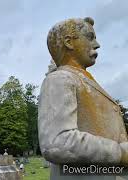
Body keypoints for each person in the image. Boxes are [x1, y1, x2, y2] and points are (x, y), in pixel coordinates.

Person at [39, 17, 128, 179]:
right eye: (90, 37)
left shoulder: (82, 79)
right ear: (69, 42)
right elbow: (57, 142)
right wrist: (120, 152)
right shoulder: (60, 79)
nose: (97, 44)